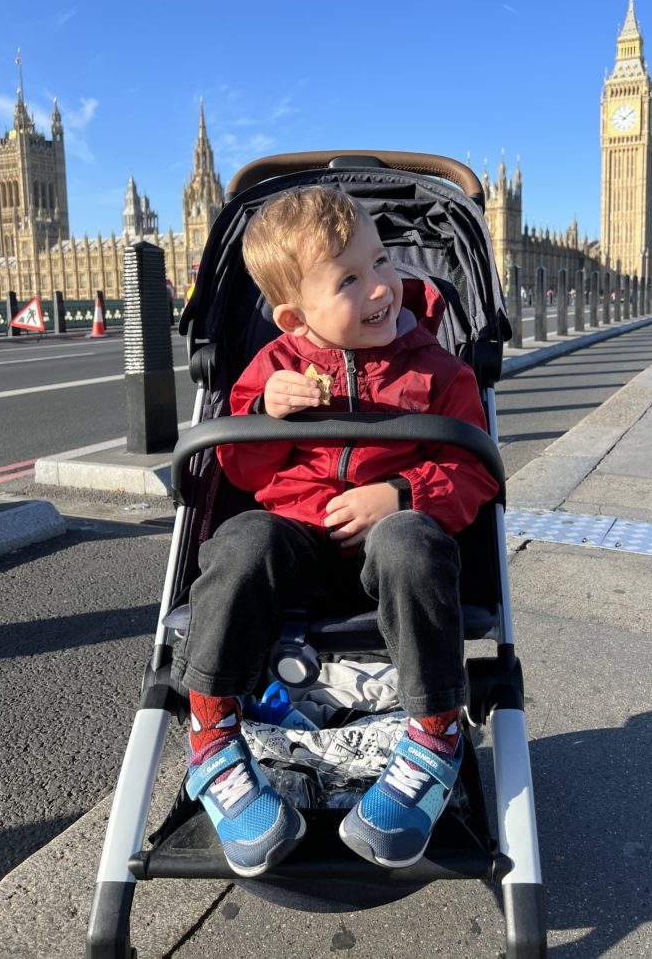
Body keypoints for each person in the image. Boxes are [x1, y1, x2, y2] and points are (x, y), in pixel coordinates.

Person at [171, 185, 500, 877]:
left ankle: (435, 737)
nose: (382, 285)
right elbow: (237, 464)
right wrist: (264, 409)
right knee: (237, 541)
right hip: (297, 539)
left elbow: (474, 470)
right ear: (293, 319)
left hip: (394, 548)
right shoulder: (276, 368)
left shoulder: (440, 370)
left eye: (382, 260)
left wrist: (402, 492)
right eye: (349, 279)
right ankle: (213, 736)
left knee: (411, 540)